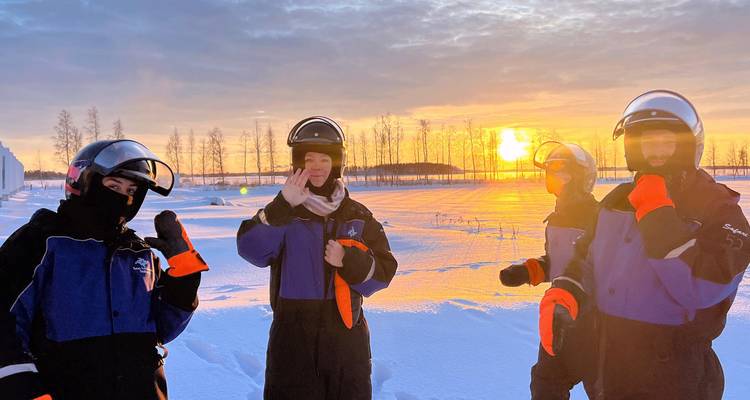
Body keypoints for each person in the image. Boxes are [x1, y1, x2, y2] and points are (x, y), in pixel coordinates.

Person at [539, 90, 750, 399]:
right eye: (647, 143)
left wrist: (657, 213)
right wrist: (566, 290)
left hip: (678, 380)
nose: (657, 153)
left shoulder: (719, 209)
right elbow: (585, 258)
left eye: (667, 142)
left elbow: (704, 287)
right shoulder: (615, 202)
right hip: (608, 373)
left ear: (688, 145)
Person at [0, 139, 208, 400]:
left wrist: (185, 272)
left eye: (132, 189)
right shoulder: (42, 242)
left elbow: (162, 328)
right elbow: (4, 324)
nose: (124, 196)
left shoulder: (136, 252)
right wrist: (25, 390)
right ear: (84, 182)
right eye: (113, 185)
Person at [236, 116, 398, 399]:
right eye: (309, 159)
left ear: (337, 163)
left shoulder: (357, 216)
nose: (316, 167)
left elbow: (383, 273)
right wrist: (282, 206)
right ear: (298, 163)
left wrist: (348, 260)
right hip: (292, 342)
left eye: (324, 159)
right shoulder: (285, 213)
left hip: (347, 344)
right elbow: (250, 249)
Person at [500, 141, 599, 399]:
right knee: (545, 385)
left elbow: (603, 268)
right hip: (557, 321)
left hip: (597, 325)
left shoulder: (599, 218)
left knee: (606, 390)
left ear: (582, 178)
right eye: (552, 173)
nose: (557, 180)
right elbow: (557, 261)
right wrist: (528, 271)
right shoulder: (556, 219)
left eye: (563, 173)